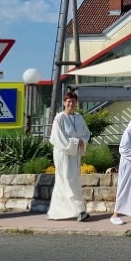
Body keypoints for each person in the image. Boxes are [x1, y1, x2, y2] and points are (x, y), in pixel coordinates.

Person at [47, 92, 91, 222]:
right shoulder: (59, 118)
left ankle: (55, 212)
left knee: (68, 181)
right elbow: (57, 137)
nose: (71, 104)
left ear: (76, 103)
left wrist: (82, 141)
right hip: (63, 154)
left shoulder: (79, 117)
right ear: (64, 102)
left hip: (75, 154)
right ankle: (79, 211)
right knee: (69, 181)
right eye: (68, 101)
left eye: (73, 101)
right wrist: (76, 142)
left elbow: (86, 133)